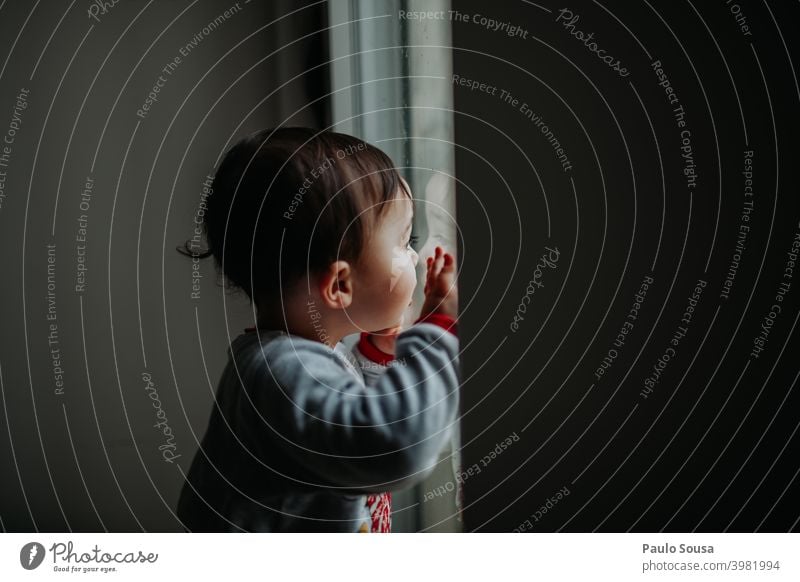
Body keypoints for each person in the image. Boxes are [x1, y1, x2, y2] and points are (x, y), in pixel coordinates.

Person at [176, 127, 459, 532]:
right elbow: (393, 444)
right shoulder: (280, 373)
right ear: (340, 285)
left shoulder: (294, 355)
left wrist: (378, 356)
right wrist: (438, 334)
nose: (415, 256)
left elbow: (341, 408)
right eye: (404, 240)